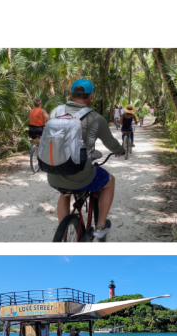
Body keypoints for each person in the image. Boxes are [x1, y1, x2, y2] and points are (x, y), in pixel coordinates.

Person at [46, 78, 125, 239]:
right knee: (110, 181)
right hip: (82, 176)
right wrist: (120, 150)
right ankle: (101, 226)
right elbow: (111, 143)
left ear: (71, 94)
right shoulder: (96, 118)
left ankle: (64, 232)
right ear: (91, 96)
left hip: (54, 174)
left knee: (64, 194)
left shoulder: (55, 112)